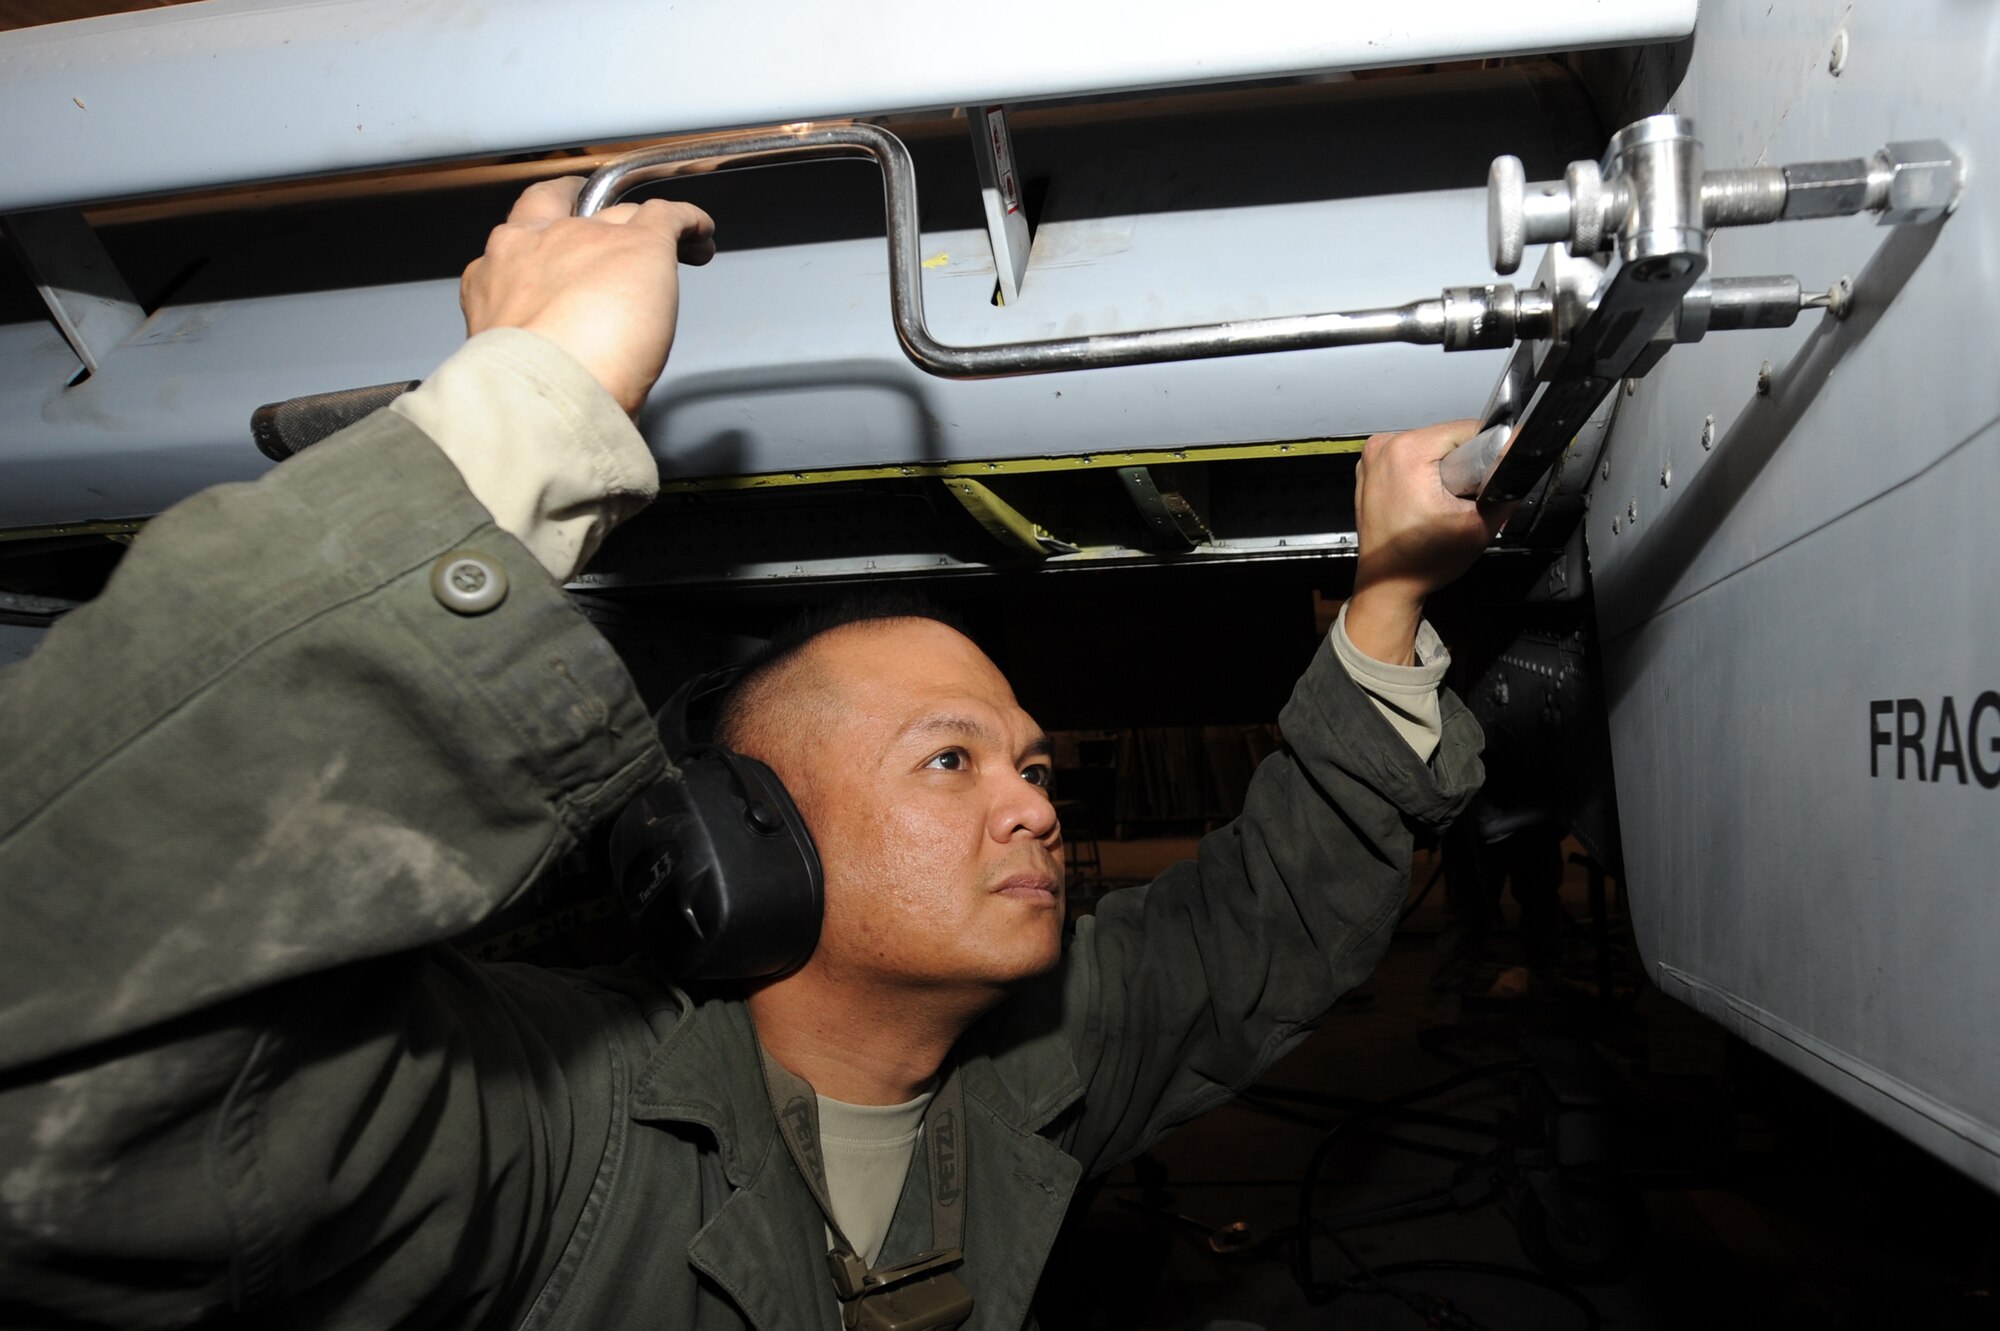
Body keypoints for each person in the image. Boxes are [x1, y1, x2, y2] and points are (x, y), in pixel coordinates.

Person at [0, 176, 1501, 1330]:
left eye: (1034, 769)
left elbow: (1266, 930)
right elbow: (73, 1052)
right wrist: (528, 407)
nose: (1034, 809)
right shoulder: (544, 1126)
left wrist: (1383, 603)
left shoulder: (1033, 1065)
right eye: (949, 763)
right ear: (742, 842)